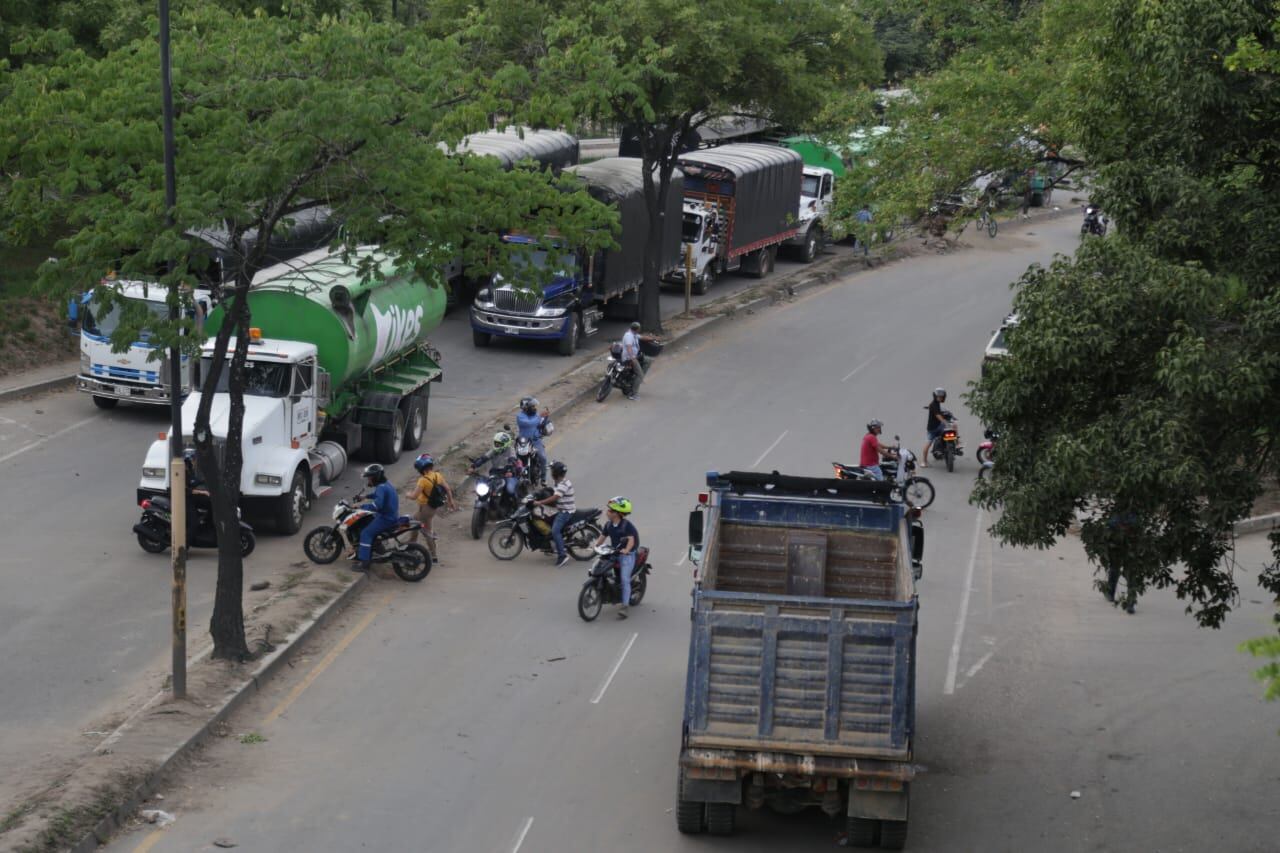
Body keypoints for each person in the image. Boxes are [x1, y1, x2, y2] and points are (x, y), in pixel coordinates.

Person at [595, 496, 639, 618]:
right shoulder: (608, 525)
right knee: (601, 568)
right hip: (614, 552)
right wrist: (596, 545)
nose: (607, 512)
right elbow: (602, 536)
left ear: (618, 514)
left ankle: (625, 606)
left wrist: (627, 550)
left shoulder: (626, 526)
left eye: (610, 511)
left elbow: (631, 539)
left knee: (625, 579)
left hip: (627, 555)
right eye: (608, 510)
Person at [408, 453, 455, 562]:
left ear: (421, 468)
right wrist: (450, 501)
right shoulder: (437, 475)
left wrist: (407, 494)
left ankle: (417, 550)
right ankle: (427, 553)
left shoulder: (423, 480)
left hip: (425, 508)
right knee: (423, 527)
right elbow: (448, 489)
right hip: (432, 508)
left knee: (421, 528)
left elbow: (414, 496)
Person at [355, 463, 398, 573]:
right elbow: (377, 495)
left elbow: (376, 506)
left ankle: (364, 563)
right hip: (389, 515)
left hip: (386, 518)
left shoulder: (381, 488)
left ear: (375, 477)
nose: (368, 480)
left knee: (365, 533)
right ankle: (379, 549)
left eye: (369, 477)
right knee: (369, 522)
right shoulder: (385, 484)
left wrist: (361, 506)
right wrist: (365, 496)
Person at [533, 460, 576, 567]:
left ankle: (562, 555)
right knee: (544, 518)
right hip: (560, 509)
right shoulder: (560, 483)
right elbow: (553, 491)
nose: (551, 473)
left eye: (552, 471)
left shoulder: (563, 484)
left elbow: (555, 497)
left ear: (556, 473)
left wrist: (540, 502)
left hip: (565, 512)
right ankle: (550, 546)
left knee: (555, 531)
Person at [469, 431, 522, 498]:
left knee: (510, 490)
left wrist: (511, 470)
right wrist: (473, 466)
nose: (497, 445)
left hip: (508, 473)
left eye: (499, 444)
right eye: (496, 443)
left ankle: (515, 504)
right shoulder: (493, 451)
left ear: (505, 444)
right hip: (495, 473)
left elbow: (513, 459)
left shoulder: (511, 450)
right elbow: (484, 458)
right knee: (486, 488)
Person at [515, 396, 550, 484]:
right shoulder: (520, 416)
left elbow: (541, 422)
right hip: (524, 442)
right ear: (526, 407)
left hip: (536, 441)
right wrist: (539, 416)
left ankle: (543, 478)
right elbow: (529, 423)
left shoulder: (535, 414)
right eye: (533, 406)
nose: (535, 408)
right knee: (517, 460)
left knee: (543, 458)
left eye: (535, 406)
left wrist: (545, 420)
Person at [620, 322, 658, 400]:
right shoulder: (629, 336)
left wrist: (653, 338)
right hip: (630, 358)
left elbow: (642, 338)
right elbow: (629, 347)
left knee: (649, 360)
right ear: (637, 329)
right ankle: (633, 394)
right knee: (640, 375)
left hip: (636, 356)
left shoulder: (634, 334)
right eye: (639, 329)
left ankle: (638, 375)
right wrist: (632, 358)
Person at [921, 387, 950, 468]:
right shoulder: (934, 405)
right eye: (939, 397)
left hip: (933, 427)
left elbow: (935, 411)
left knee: (930, 442)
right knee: (929, 443)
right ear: (935, 396)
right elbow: (938, 416)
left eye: (941, 397)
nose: (940, 398)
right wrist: (945, 422)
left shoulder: (934, 404)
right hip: (934, 428)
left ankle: (947, 448)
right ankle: (924, 461)